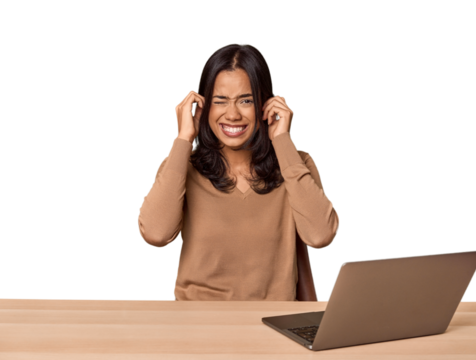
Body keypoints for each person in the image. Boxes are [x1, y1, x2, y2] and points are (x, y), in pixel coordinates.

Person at [137, 40, 340, 301]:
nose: (232, 114)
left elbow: (321, 236)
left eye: (246, 100)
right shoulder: (182, 164)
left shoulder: (296, 162)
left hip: (273, 327)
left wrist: (282, 141)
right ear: (204, 107)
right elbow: (155, 235)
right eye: (220, 101)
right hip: (198, 326)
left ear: (265, 104)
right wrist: (184, 139)